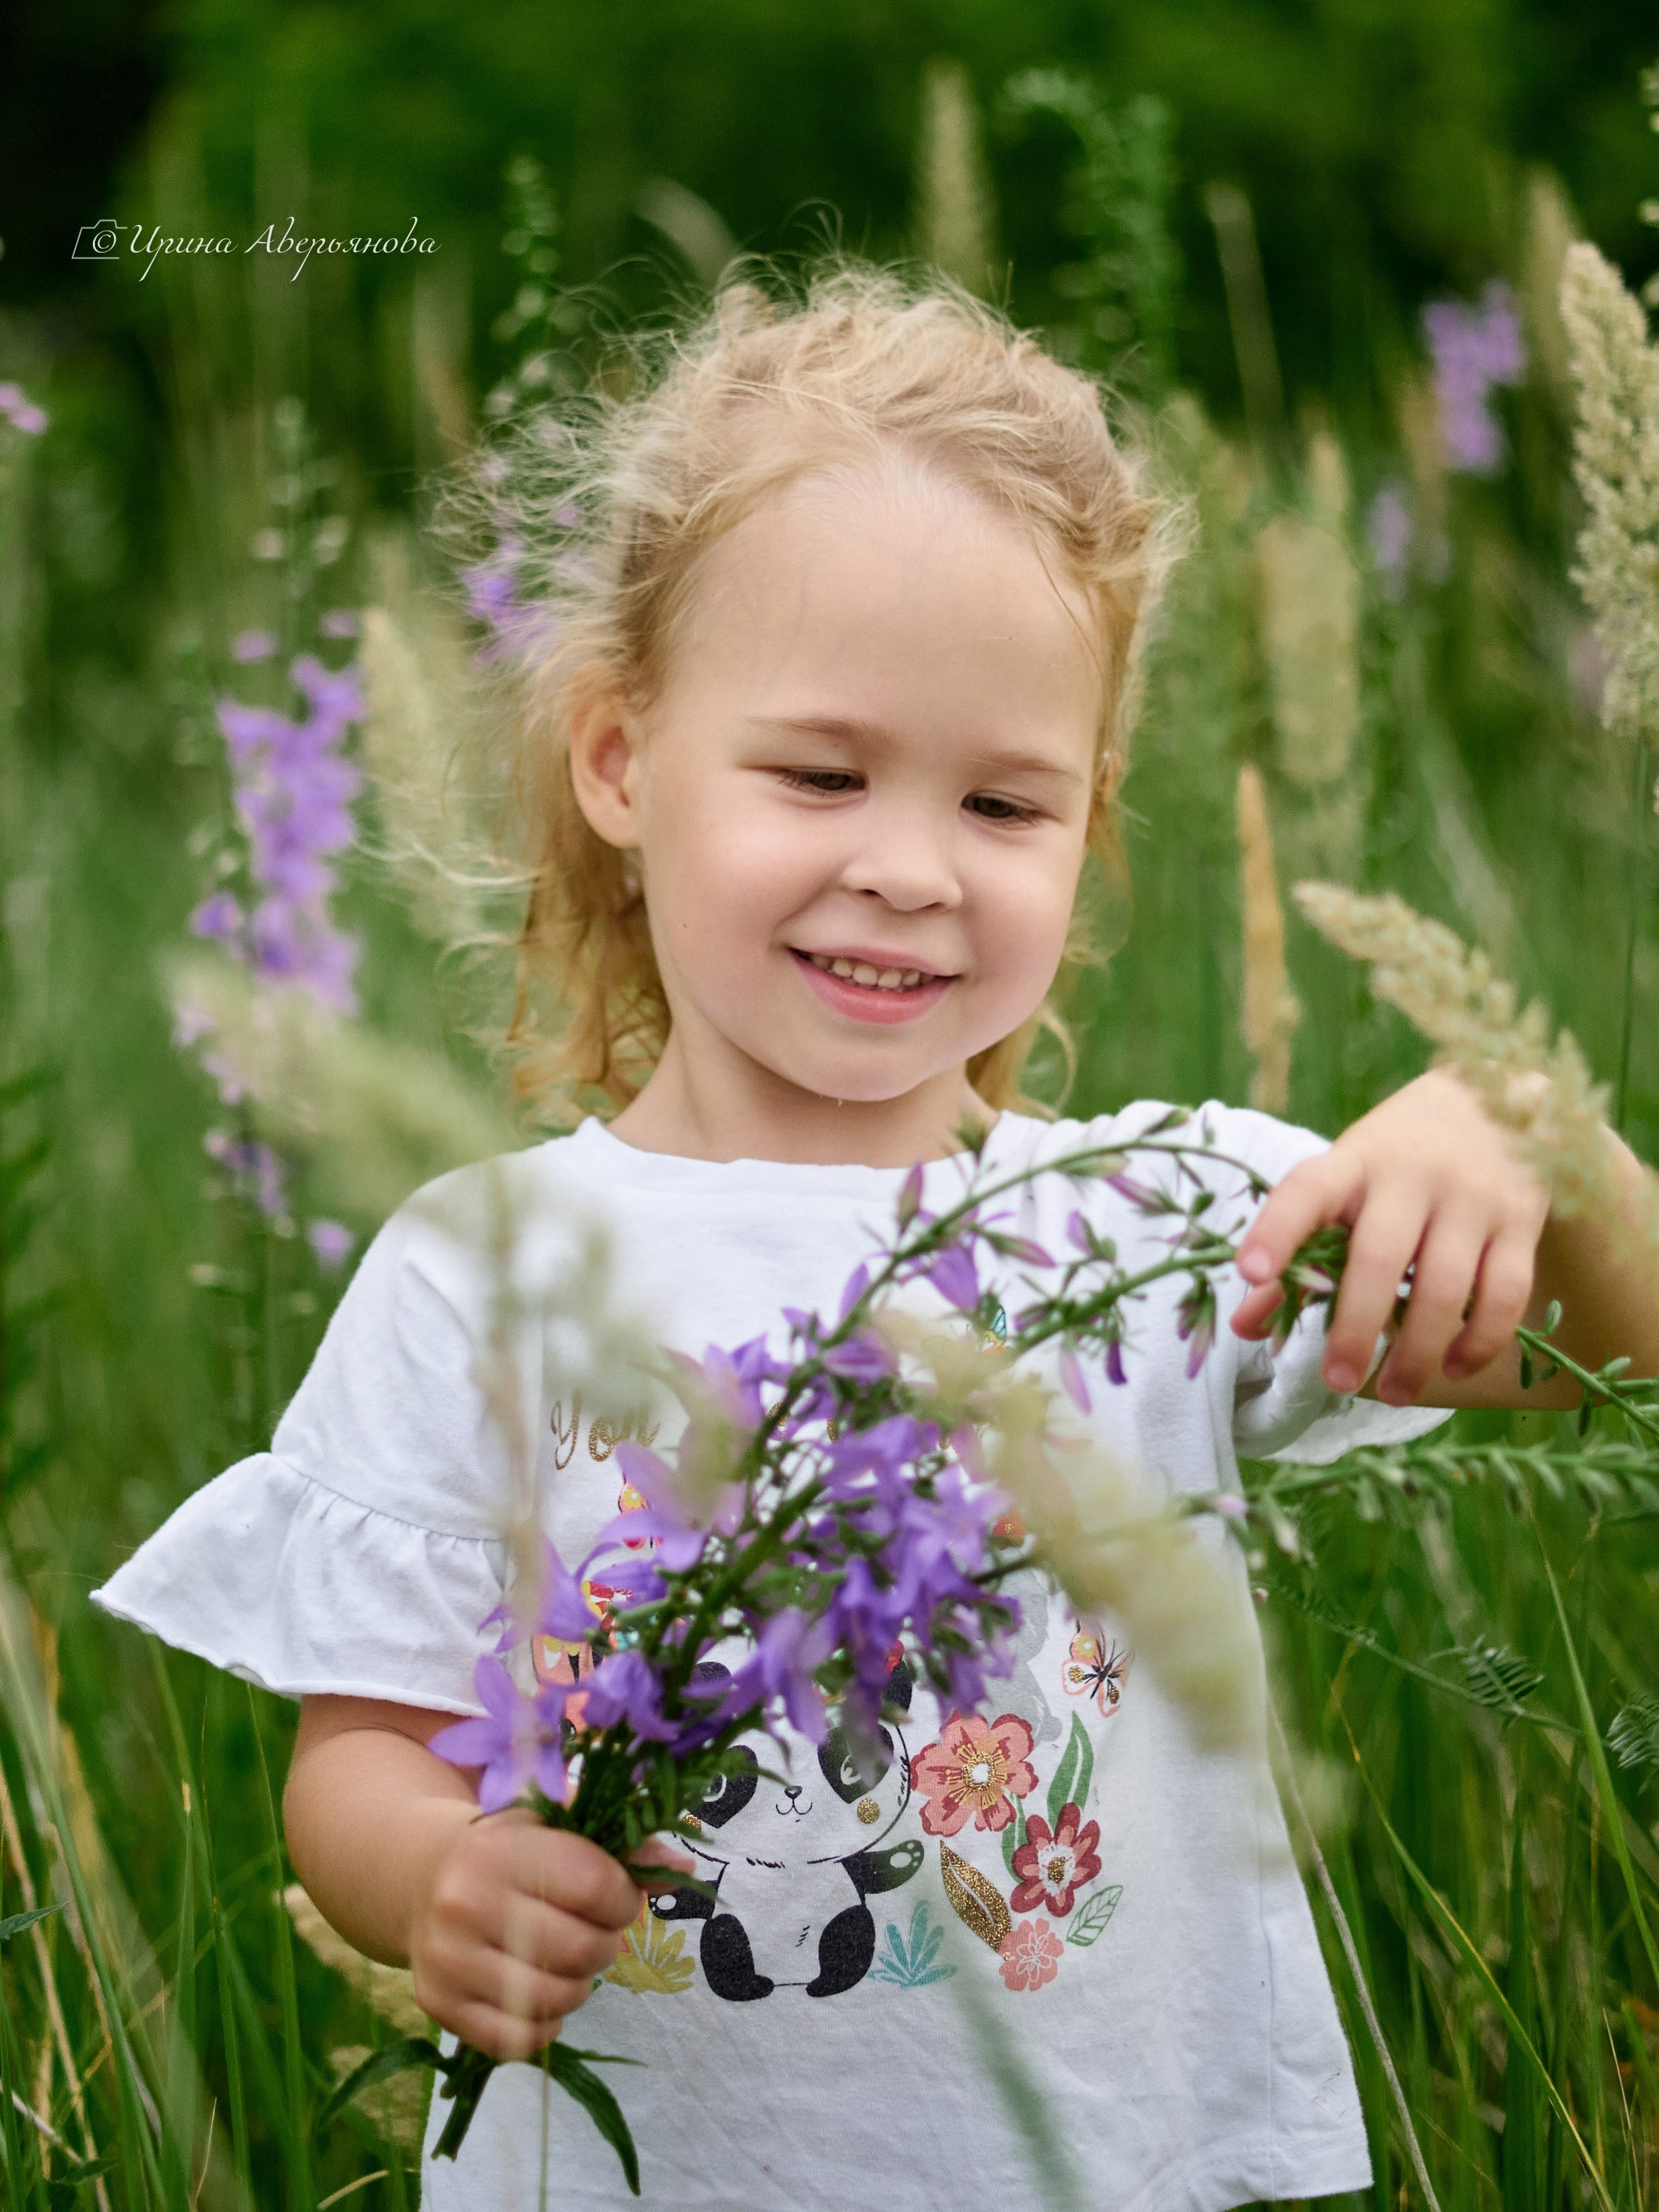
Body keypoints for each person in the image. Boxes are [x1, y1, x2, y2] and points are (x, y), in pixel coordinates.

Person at [94, 268, 1659, 2211]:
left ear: (1088, 831)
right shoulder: (477, 1263)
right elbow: (357, 1762)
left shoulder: (1169, 1216)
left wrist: (1523, 1130)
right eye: (820, 772)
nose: (909, 867)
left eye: (1004, 801)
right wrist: (436, 1878)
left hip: (1096, 2170)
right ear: (617, 762)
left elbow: (1618, 1335)